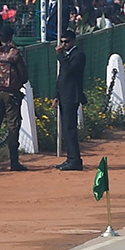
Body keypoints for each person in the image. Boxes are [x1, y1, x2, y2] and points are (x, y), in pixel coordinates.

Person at [0, 24, 29, 171]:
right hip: (11, 95)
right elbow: (24, 76)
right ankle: (14, 161)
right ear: (11, 37)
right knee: (13, 127)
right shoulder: (14, 54)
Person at [54, 29, 87, 171]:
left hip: (72, 95)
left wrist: (60, 56)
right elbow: (61, 77)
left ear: (73, 41)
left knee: (70, 129)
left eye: (66, 42)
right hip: (64, 95)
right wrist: (56, 95)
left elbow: (69, 71)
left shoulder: (78, 55)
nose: (63, 45)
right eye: (62, 42)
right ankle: (70, 158)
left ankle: (75, 160)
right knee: (66, 129)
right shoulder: (67, 55)